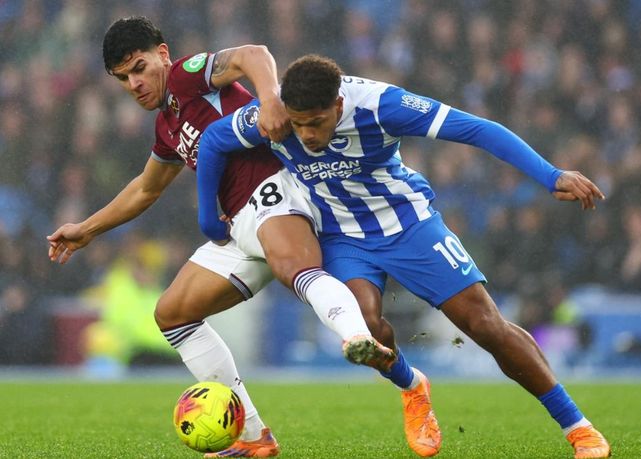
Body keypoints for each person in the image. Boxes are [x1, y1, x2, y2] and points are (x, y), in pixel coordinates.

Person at [197, 54, 611, 458]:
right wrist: (210, 220)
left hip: (409, 225)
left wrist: (550, 175)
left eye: (316, 122)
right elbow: (214, 140)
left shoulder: (380, 106)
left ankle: (578, 427)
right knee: (362, 326)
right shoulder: (272, 115)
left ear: (338, 105)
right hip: (341, 237)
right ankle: (412, 386)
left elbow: (477, 129)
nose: (305, 134)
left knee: (484, 324)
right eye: (298, 123)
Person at [47, 19, 395, 458]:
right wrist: (86, 229)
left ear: (162, 54)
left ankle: (356, 336)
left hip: (275, 193)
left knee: (298, 272)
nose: (134, 84)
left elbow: (254, 54)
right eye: (123, 78)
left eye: (139, 68)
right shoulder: (167, 126)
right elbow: (146, 189)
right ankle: (254, 436)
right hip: (238, 226)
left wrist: (270, 101)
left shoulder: (186, 75)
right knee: (172, 315)